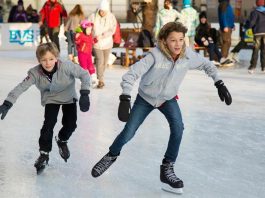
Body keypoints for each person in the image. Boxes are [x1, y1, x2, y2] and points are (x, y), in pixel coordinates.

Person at [91, 22, 232, 194]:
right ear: (164, 41)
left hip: (168, 99)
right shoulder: (155, 55)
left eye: (181, 39)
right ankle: (111, 155)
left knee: (178, 128)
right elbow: (131, 74)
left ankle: (167, 168)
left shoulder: (187, 56)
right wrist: (125, 97)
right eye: (173, 40)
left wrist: (219, 83)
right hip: (145, 98)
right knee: (129, 132)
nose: (178, 44)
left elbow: (208, 65)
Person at [0, 42, 91, 174]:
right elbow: (21, 87)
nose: (48, 63)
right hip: (50, 99)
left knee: (71, 124)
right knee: (48, 125)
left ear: (56, 58)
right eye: (43, 60)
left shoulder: (66, 65)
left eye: (51, 59)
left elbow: (85, 74)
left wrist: (85, 93)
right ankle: (44, 154)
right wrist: (8, 102)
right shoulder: (35, 73)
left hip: (68, 97)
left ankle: (62, 139)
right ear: (39, 60)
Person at [88, 0, 117, 89]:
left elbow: (113, 29)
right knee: (100, 60)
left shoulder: (111, 17)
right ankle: (100, 80)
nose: (102, 12)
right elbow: (87, 26)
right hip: (96, 43)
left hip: (107, 43)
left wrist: (103, 35)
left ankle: (99, 76)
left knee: (104, 62)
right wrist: (90, 32)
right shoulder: (93, 16)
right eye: (101, 11)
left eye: (104, 11)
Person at [75, 20, 98, 88]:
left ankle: (94, 79)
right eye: (88, 29)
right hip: (82, 54)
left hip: (88, 54)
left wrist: (95, 40)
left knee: (91, 66)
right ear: (84, 29)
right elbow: (77, 42)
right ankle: (83, 80)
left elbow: (91, 42)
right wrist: (77, 37)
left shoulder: (90, 35)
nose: (89, 31)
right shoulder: (81, 35)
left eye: (90, 29)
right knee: (84, 67)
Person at [246, 0, 265, 74]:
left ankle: (252, 67)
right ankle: (264, 67)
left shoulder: (255, 12)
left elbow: (252, 23)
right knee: (264, 50)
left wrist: (247, 25)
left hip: (258, 33)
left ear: (257, 4)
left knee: (256, 50)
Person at [218, 0, 235, 67]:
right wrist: (224, 25)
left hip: (229, 26)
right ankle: (223, 58)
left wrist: (233, 25)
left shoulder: (227, 3)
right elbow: (223, 15)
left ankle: (225, 58)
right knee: (226, 42)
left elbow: (230, 15)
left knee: (228, 42)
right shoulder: (223, 4)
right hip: (226, 27)